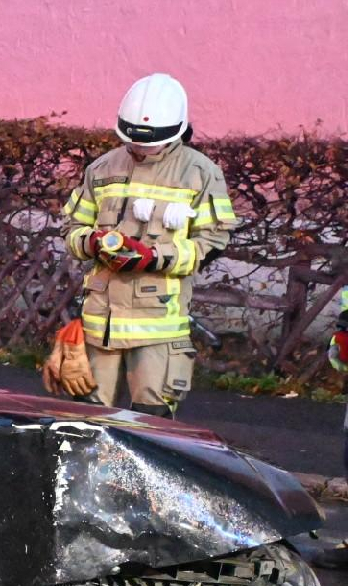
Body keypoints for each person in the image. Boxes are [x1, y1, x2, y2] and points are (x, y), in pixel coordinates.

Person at [60, 73, 236, 416]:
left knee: (153, 425)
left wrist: (154, 258)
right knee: (87, 423)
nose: (139, 148)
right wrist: (91, 242)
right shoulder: (102, 168)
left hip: (159, 325)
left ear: (176, 132)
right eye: (132, 141)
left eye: (149, 143)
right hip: (101, 322)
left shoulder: (201, 173)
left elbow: (214, 242)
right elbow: (72, 227)